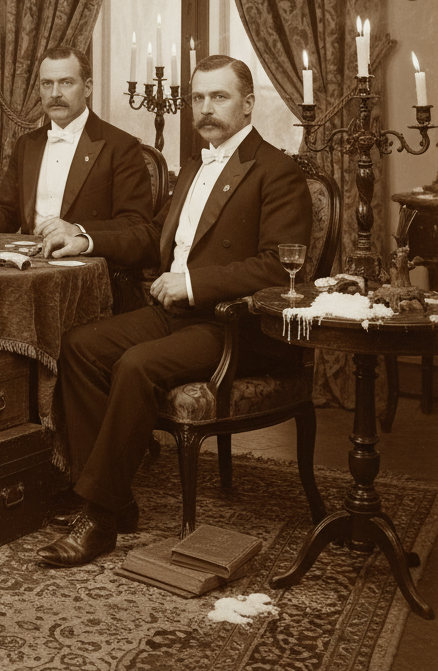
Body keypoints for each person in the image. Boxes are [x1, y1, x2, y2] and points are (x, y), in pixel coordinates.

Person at [37, 55, 311, 568]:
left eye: (220, 97)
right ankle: (115, 497)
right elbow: (149, 236)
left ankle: (97, 517)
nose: (206, 109)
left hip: (234, 325)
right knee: (81, 346)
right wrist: (86, 237)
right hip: (176, 315)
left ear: (249, 104)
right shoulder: (193, 165)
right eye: (199, 98)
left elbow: (281, 268)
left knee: (137, 365)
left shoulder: (278, 172)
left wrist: (191, 283)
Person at [0, 46, 152, 246]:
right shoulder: (27, 144)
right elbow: (7, 209)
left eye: (66, 83)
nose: (55, 93)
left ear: (87, 88)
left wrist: (79, 230)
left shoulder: (121, 146)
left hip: (87, 265)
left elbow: (137, 224)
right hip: (29, 264)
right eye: (47, 84)